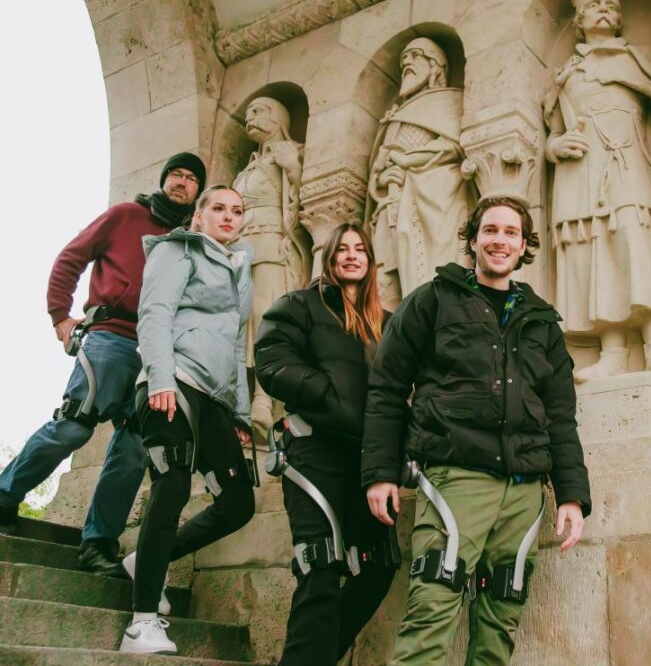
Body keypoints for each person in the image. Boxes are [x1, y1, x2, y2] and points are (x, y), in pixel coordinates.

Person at [362, 196, 592, 666]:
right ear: (472, 239)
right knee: (431, 612)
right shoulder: (432, 300)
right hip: (456, 478)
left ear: (524, 245)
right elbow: (386, 388)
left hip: (524, 491)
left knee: (500, 622)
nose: (499, 241)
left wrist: (571, 494)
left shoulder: (542, 320)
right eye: (490, 230)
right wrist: (380, 472)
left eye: (511, 233)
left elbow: (560, 414)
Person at [0, 152, 205, 577]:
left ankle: (98, 543)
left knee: (133, 450)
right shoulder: (125, 216)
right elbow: (71, 257)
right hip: (111, 338)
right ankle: (5, 494)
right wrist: (60, 315)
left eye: (191, 178)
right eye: (175, 174)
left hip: (157, 356)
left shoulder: (190, 242)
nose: (181, 182)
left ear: (197, 191)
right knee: (74, 425)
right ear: (164, 180)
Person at [119, 186, 256, 655]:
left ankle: (146, 561)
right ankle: (141, 624)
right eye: (218, 208)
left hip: (214, 398)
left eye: (237, 211)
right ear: (198, 217)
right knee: (173, 484)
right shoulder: (176, 249)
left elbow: (235, 345)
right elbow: (154, 313)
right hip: (172, 380)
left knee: (238, 502)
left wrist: (239, 410)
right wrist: (159, 377)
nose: (228, 216)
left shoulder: (239, 266)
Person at [255, 222, 397, 666]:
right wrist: (325, 393)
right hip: (313, 451)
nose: (352, 256)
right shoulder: (298, 306)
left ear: (370, 260)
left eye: (360, 249)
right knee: (320, 566)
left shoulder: (386, 323)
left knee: (378, 566)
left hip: (367, 460)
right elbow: (271, 361)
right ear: (329, 257)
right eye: (343, 249)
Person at [543, 0, 651, 382]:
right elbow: (554, 132)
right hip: (579, 172)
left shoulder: (632, 60)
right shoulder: (567, 74)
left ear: (620, 18)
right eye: (594, 6)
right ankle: (613, 353)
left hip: (626, 160)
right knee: (593, 249)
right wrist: (555, 147)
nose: (603, 10)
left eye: (610, 5)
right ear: (580, 20)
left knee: (634, 239)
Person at [365, 37, 468, 309]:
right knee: (384, 285)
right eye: (403, 60)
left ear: (435, 65)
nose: (406, 64)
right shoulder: (394, 117)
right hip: (390, 205)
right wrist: (381, 179)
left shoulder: (448, 101)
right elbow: (379, 168)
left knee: (427, 278)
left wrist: (407, 160)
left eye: (415, 56)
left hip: (430, 205)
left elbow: (452, 147)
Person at [233, 96, 312, 439]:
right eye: (247, 112)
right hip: (239, 253)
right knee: (241, 322)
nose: (249, 117)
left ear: (279, 117)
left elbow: (305, 198)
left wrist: (293, 167)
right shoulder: (246, 169)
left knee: (266, 317)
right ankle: (242, 399)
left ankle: (264, 399)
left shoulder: (292, 151)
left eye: (258, 111)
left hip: (271, 245)